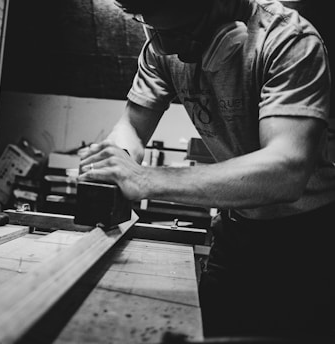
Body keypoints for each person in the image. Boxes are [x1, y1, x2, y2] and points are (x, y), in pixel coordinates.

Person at [78, 0, 335, 340]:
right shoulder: (162, 45)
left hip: (307, 238)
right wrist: (113, 163)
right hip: (236, 228)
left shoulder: (289, 41)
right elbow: (133, 128)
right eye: (153, 29)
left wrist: (144, 179)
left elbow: (285, 171)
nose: (169, 49)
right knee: (213, 330)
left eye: (179, 33)